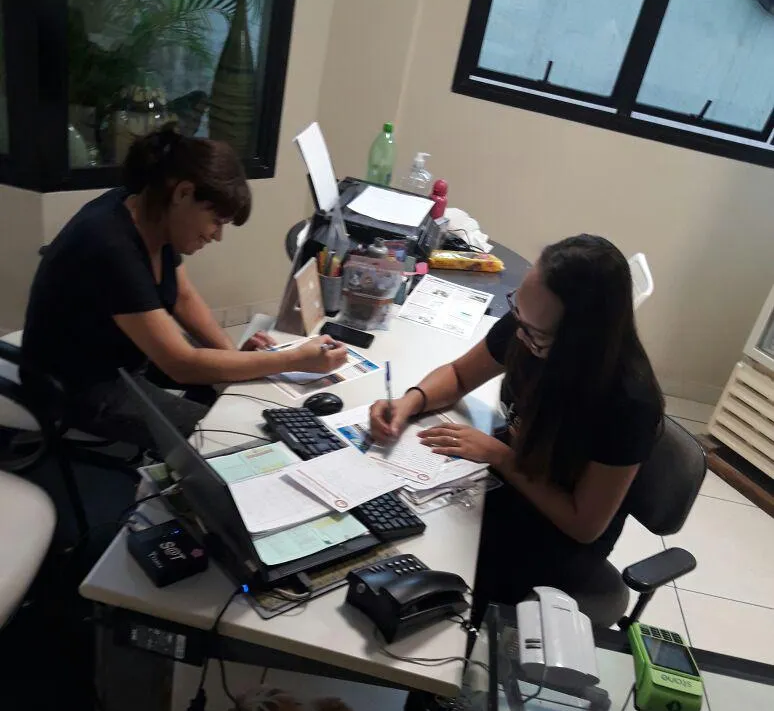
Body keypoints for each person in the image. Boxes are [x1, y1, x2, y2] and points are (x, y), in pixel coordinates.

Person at [370, 234, 664, 628]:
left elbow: (583, 524)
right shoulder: (530, 323)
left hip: (556, 533)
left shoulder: (627, 404)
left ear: (580, 340)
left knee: (443, 591)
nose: (519, 334)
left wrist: (500, 456)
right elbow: (459, 375)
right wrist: (411, 402)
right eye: (518, 314)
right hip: (512, 476)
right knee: (401, 513)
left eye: (535, 333)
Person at [22, 125, 347, 449]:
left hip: (123, 356)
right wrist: (294, 360)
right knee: (226, 436)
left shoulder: (150, 212)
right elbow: (181, 364)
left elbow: (184, 297)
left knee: (231, 389)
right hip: (79, 386)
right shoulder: (111, 245)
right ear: (183, 193)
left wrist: (231, 355)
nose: (217, 235)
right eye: (216, 221)